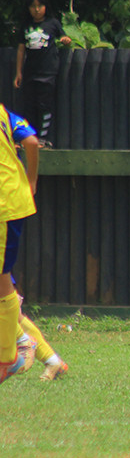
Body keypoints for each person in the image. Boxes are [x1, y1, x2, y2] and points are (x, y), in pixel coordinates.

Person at [0, 104, 40, 384]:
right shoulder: (2, 112)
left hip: (4, 205)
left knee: (2, 281)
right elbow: (31, 140)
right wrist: (31, 180)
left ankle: (8, 357)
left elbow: (32, 141)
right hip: (12, 198)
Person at [13, 0, 72, 146]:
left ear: (46, 6)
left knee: (44, 106)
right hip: (30, 72)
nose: (37, 9)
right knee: (29, 106)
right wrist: (18, 72)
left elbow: (63, 37)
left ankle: (43, 139)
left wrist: (66, 40)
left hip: (48, 72)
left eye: (40, 6)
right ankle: (28, 139)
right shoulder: (25, 26)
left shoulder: (53, 23)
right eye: (33, 6)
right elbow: (21, 49)